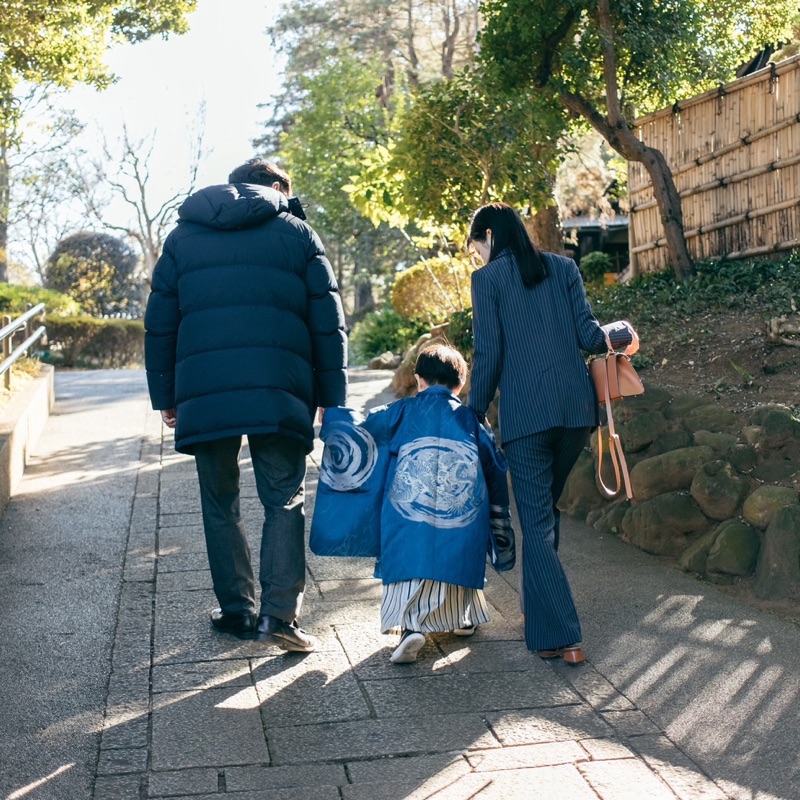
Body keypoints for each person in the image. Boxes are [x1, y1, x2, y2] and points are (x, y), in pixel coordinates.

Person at [144, 159, 347, 653]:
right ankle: (279, 616)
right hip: (280, 388)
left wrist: (166, 396)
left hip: (205, 391)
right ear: (276, 187)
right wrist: (332, 399)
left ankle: (237, 610)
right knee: (284, 499)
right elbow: (327, 320)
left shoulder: (182, 237)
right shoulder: (297, 233)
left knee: (219, 502)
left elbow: (161, 322)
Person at [466, 202, 637, 665]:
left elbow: (489, 354)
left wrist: (471, 412)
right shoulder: (563, 268)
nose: (477, 256)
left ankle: (565, 636)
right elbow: (591, 336)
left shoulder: (487, 280)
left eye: (476, 246)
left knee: (537, 525)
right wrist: (622, 333)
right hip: (576, 413)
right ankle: (541, 626)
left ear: (489, 236)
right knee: (544, 516)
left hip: (527, 419)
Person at [312, 344, 515, 664]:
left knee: (409, 564)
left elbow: (362, 432)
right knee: (459, 559)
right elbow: (495, 465)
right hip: (461, 516)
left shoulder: (401, 411)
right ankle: (463, 619)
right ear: (460, 384)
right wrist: (498, 521)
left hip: (407, 517)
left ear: (419, 379)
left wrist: (335, 417)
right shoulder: (471, 419)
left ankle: (411, 628)